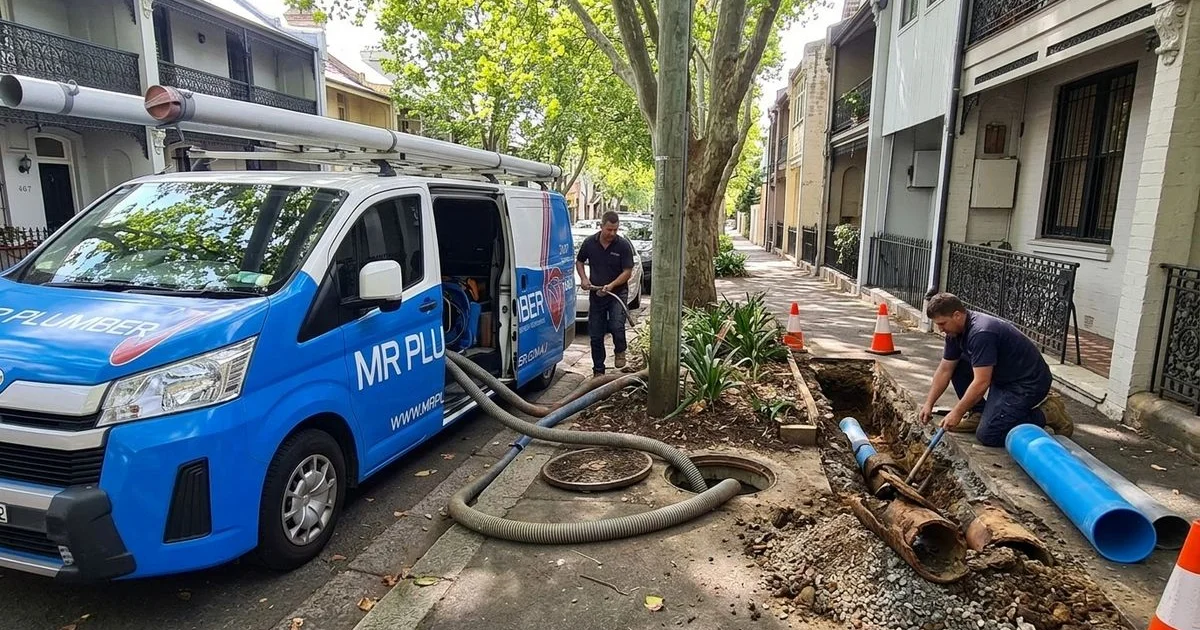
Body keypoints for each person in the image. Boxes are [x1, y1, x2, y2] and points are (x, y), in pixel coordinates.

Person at [919, 292, 1072, 446]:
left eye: (942, 324)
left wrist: (957, 413)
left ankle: (1049, 413)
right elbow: (945, 369)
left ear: (957, 315)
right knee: (957, 365)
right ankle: (978, 412)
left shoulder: (981, 333)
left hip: (1028, 384)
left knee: (989, 435)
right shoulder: (954, 333)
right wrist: (929, 403)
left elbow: (981, 382)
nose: (940, 329)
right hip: (1003, 380)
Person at [575, 211, 635, 376]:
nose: (612, 233)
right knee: (595, 334)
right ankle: (598, 370)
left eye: (615, 230)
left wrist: (612, 285)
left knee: (616, 325)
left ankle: (620, 349)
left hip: (617, 293)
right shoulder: (589, 243)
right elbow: (579, 261)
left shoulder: (623, 245)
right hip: (597, 294)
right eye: (609, 230)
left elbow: (627, 271)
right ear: (601, 226)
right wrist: (584, 278)